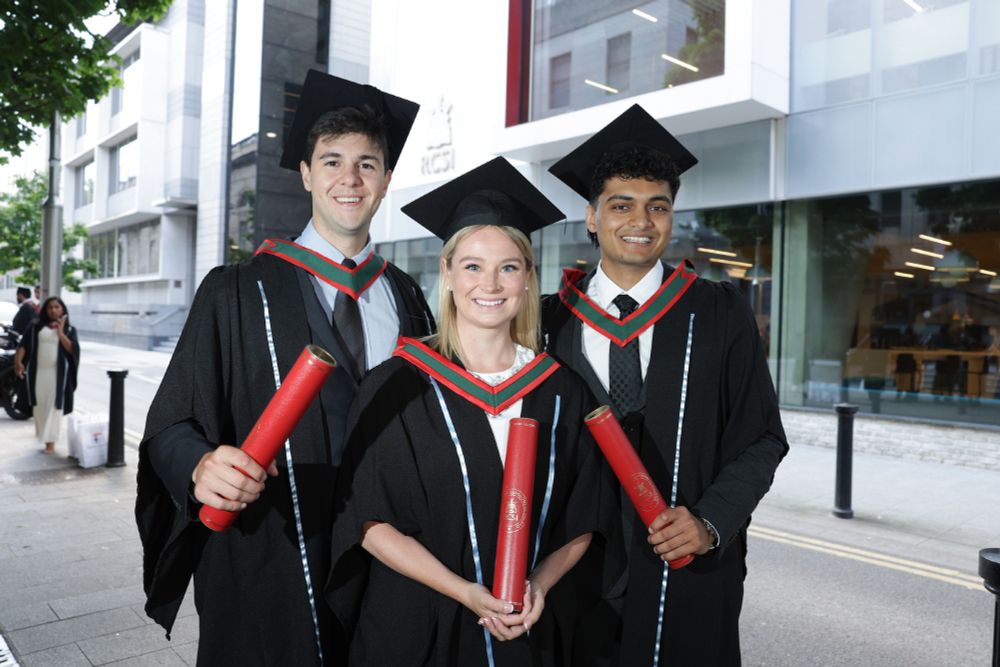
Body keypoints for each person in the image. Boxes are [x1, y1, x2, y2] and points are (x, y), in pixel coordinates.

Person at [135, 70, 435, 665]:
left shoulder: (409, 298)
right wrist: (199, 465)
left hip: (389, 564)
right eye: (331, 161)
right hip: (269, 555)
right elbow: (170, 425)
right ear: (305, 174)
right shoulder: (237, 291)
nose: (349, 179)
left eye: (367, 164)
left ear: (386, 180)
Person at [328, 157, 613, 666]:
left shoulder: (561, 391)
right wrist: (464, 591)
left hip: (527, 632)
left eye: (508, 266)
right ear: (448, 274)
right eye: (473, 266)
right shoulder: (397, 385)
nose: (491, 284)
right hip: (419, 629)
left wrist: (539, 586)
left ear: (528, 277)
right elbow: (366, 523)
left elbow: (584, 516)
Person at [542, 104, 788, 666]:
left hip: (687, 564)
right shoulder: (547, 320)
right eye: (621, 205)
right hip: (570, 569)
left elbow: (762, 438)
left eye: (658, 207)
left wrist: (710, 522)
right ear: (590, 215)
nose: (641, 221)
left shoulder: (719, 312)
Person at [14, 296, 79, 455]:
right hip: (38, 374)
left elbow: (72, 350)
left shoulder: (69, 330)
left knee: (54, 407)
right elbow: (23, 345)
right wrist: (18, 362)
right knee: (40, 406)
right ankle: (45, 438)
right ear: (45, 309)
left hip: (58, 376)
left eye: (57, 307)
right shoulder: (36, 326)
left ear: (62, 309)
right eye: (50, 307)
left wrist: (61, 332)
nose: (53, 310)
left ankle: (51, 443)